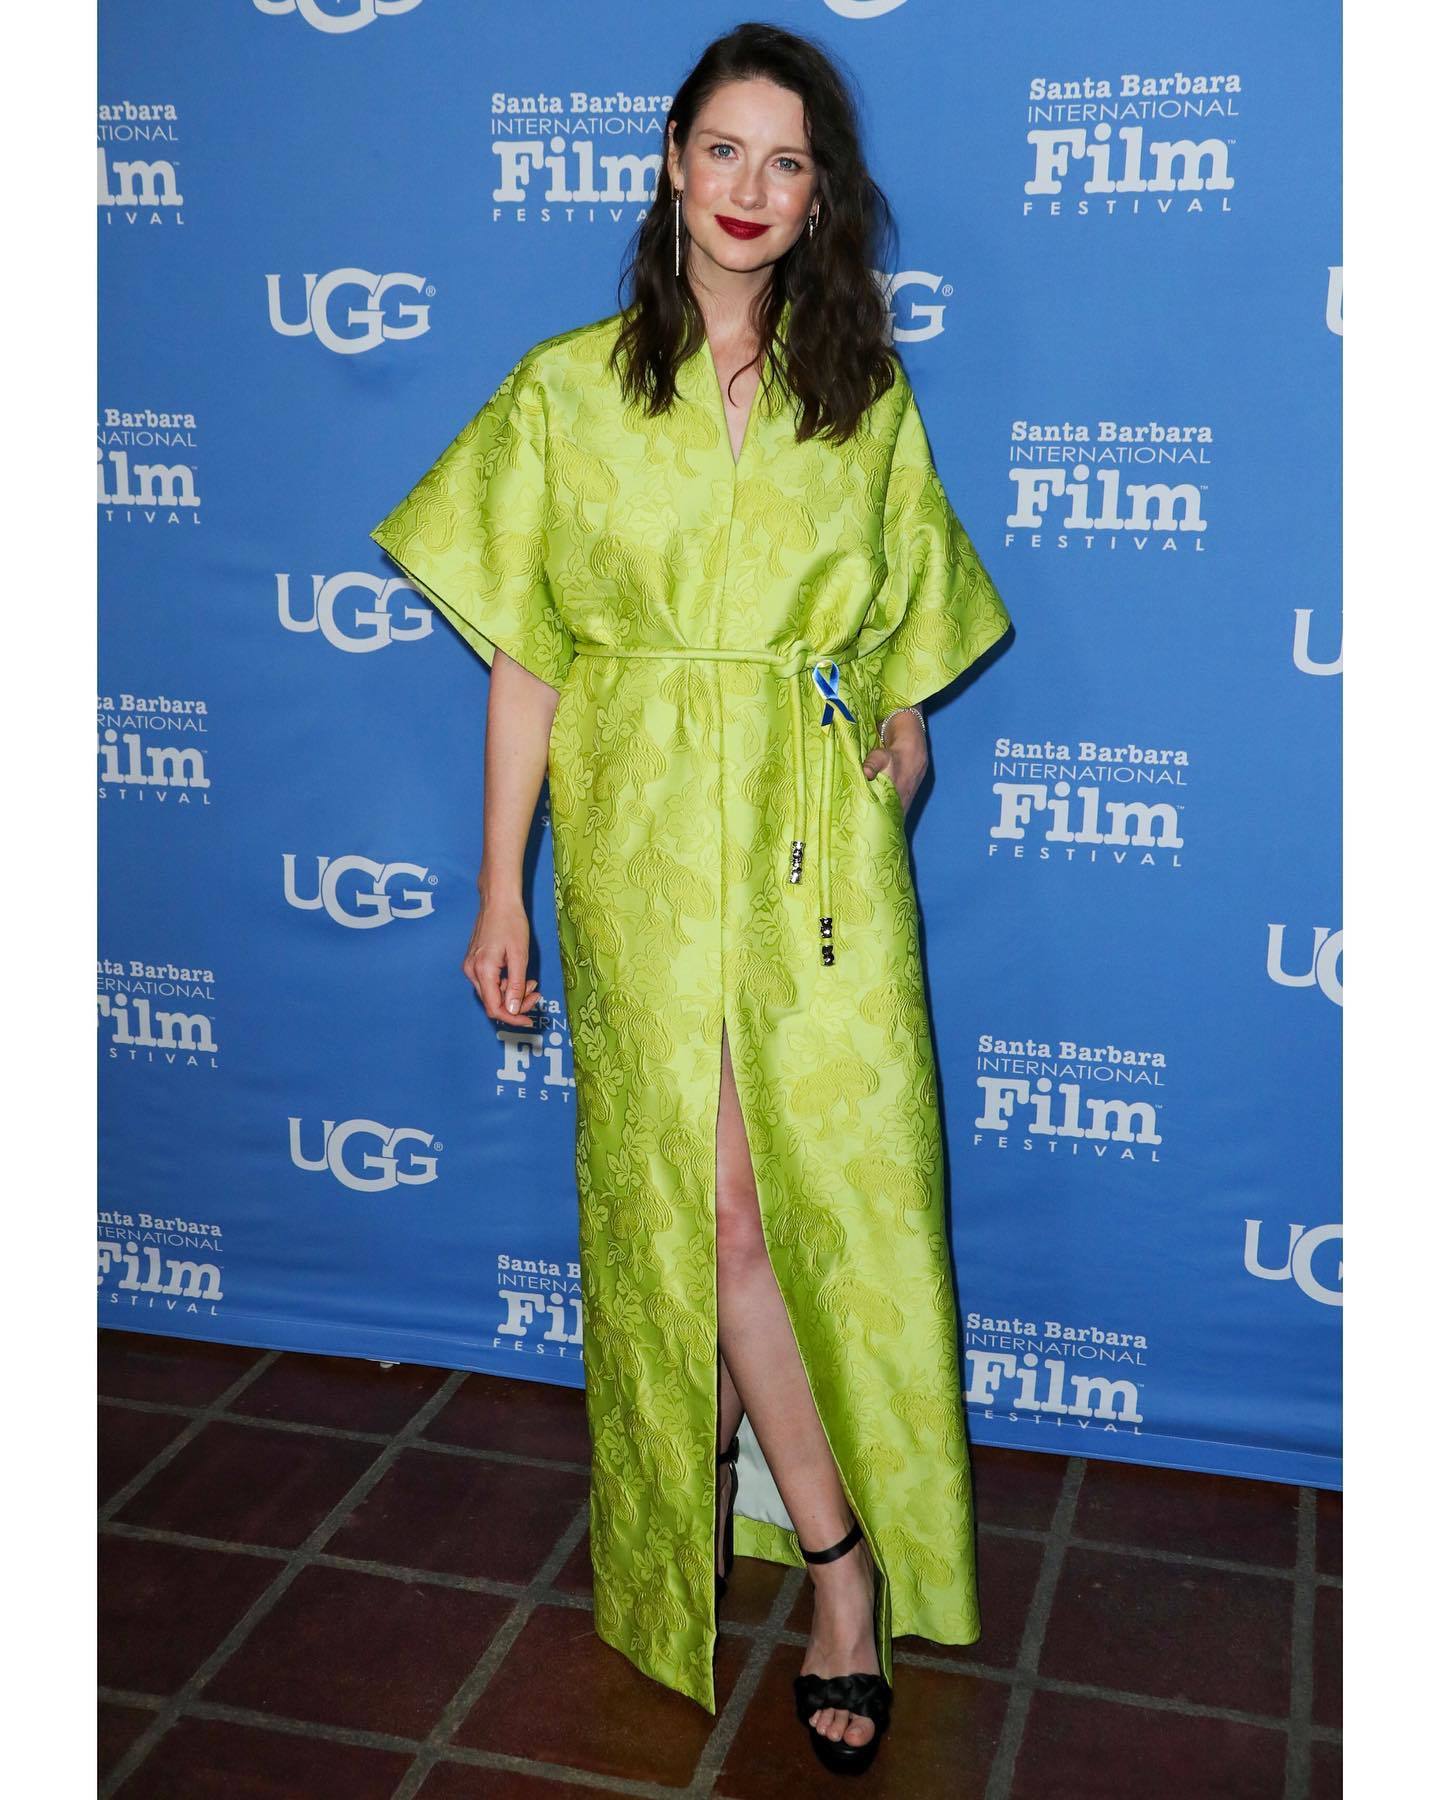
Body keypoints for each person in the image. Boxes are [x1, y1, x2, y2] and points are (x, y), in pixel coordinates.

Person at [370, 21, 1011, 1777]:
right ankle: (841, 1571)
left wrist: (896, 746)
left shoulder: (861, 396)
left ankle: (747, 1494)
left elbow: (908, 632)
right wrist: (498, 886)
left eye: (786, 163)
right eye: (723, 150)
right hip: (640, 838)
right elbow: (529, 655)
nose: (749, 189)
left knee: (807, 1204)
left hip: (815, 856)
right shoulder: (566, 391)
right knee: (710, 1208)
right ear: (669, 162)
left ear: (819, 202)